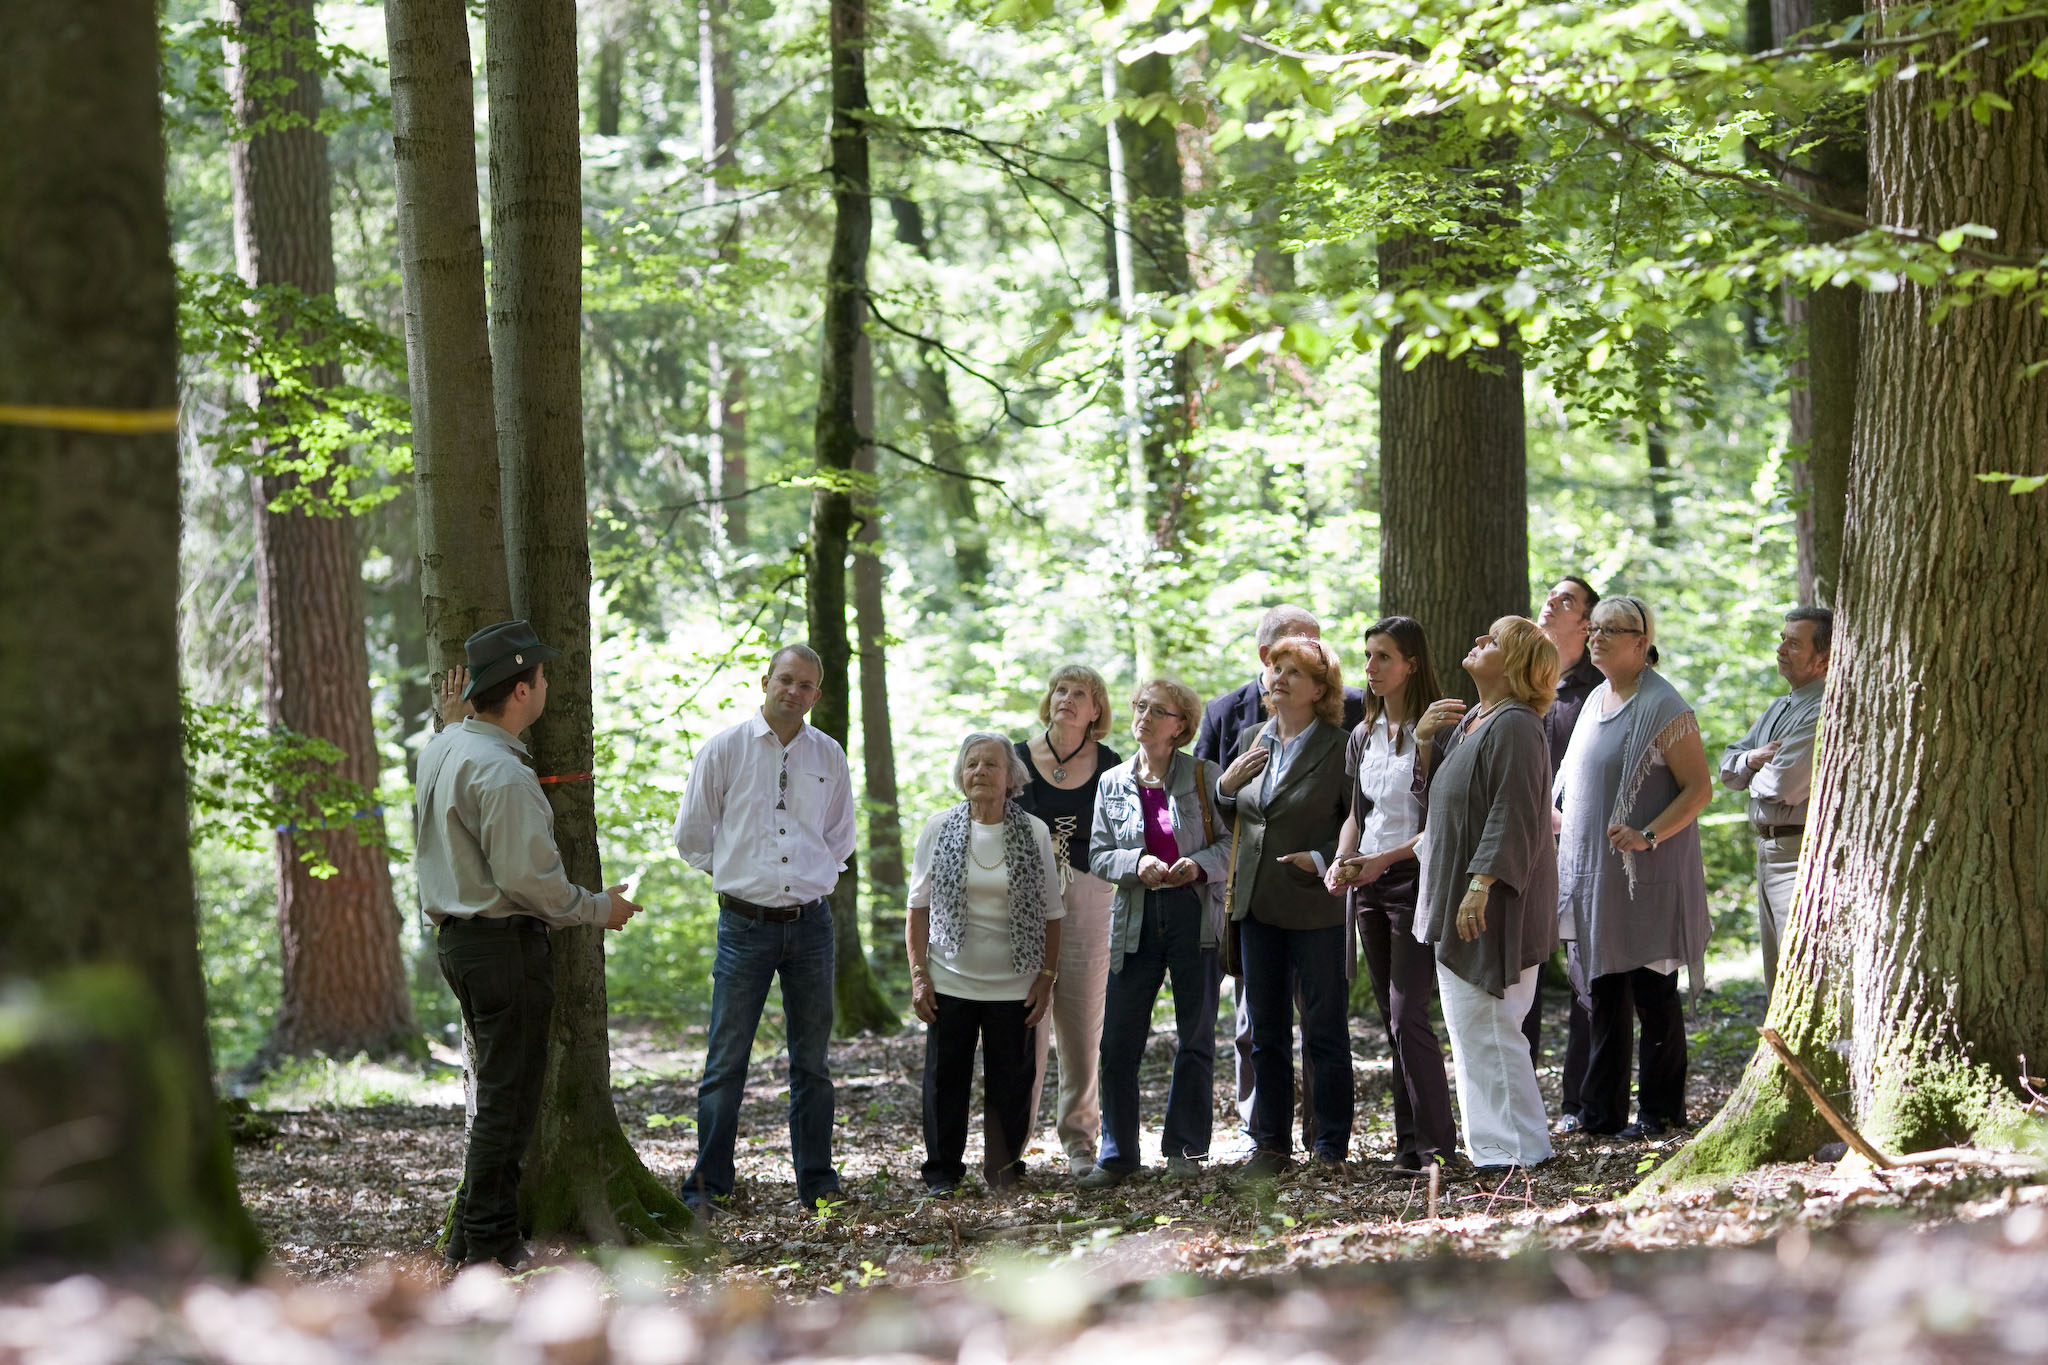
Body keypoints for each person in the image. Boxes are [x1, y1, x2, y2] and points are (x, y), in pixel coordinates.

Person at [417, 621, 643, 1269]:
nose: (547, 685)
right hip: (503, 948)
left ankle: (470, 1235)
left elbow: (452, 735)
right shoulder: (504, 776)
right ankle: (488, 1242)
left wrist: (455, 714)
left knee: (502, 1095)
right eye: (541, 677)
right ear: (521, 690)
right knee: (509, 1105)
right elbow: (533, 884)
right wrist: (603, 908)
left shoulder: (445, 748)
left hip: (463, 946)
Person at [671, 643, 856, 1213]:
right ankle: (708, 1186)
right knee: (726, 1061)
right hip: (744, 927)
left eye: (805, 685)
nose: (793, 692)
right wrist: (738, 877)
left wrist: (802, 879)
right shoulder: (724, 750)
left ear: (816, 696)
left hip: (811, 927)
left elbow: (839, 838)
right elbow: (692, 837)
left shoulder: (828, 756)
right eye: (785, 680)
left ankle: (817, 1184)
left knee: (812, 1062)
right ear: (766, 681)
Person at [1192, 604, 1364, 1140]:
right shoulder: (1249, 742)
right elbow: (1225, 816)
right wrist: (1224, 787)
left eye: (1295, 673)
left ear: (1320, 689)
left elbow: (1359, 817)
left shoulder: (1341, 746)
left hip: (1316, 905)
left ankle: (1331, 1140)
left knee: (1325, 1032)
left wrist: (1320, 859)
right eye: (1276, 669)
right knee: (1264, 1033)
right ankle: (1271, 1142)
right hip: (1255, 905)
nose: (1279, 679)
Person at [1554, 596, 1713, 1139]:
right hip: (1597, 879)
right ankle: (1601, 1115)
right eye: (1593, 629)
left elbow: (1699, 789)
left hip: (1647, 878)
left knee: (1653, 996)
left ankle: (1661, 1114)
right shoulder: (1596, 699)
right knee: (1604, 995)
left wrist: (1647, 835)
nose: (1596, 637)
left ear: (1641, 642)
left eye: (1610, 630)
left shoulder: (1666, 707)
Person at [1411, 617, 1561, 1172]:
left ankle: (1523, 1151)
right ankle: (1493, 1151)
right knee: (1472, 1030)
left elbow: (1515, 811)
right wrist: (1425, 742)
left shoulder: (1518, 723)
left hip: (1494, 901)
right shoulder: (1474, 720)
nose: (1477, 641)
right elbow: (1445, 804)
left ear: (1519, 665)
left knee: (1494, 1025)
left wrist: (1481, 884)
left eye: (1493, 640)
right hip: (1459, 896)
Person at [1080, 679, 1230, 1189]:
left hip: (1193, 916)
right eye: (1139, 706)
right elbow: (1098, 853)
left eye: (1156, 710)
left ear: (1180, 725)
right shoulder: (1111, 782)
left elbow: (1232, 846)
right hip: (1136, 920)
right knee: (1118, 1041)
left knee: (1196, 1035)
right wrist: (1135, 861)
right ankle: (1118, 1155)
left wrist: (1198, 865)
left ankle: (1185, 1149)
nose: (1143, 716)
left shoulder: (1205, 776)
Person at [907, 734, 1064, 1197]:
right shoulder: (938, 828)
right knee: (944, 1083)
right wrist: (919, 976)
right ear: (961, 774)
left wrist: (1047, 977)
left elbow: (1054, 912)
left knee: (1012, 1085)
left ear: (1010, 777)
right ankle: (942, 1174)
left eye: (990, 764)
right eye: (971, 764)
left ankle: (1004, 1171)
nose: (979, 771)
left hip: (1015, 983)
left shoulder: (1033, 830)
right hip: (950, 979)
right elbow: (917, 908)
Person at [1326, 617, 1455, 1173]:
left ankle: (1437, 1147)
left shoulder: (1439, 731)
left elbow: (1441, 827)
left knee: (1409, 1014)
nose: (1371, 668)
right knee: (1388, 1014)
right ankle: (1409, 1145)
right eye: (1368, 656)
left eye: (1383, 657)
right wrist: (1341, 860)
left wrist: (1383, 860)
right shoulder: (1362, 732)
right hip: (1368, 884)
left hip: (1413, 880)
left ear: (1412, 664)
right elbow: (1358, 814)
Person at [1014, 665, 1121, 1176]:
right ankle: (1010, 1143)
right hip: (1023, 901)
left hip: (1090, 896)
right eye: (1060, 689)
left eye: (1081, 693)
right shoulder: (1015, 758)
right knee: (1022, 1018)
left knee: (1081, 1021)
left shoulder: (1113, 765)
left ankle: (1080, 1141)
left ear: (1096, 710)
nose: (1068, 699)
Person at [1719, 607, 1832, 994]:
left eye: (1793, 643)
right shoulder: (1780, 706)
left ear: (1824, 658)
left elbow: (1783, 784)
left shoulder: (1822, 709)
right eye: (1783, 638)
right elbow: (1728, 767)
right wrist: (1751, 759)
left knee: (1798, 973)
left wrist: (1751, 770)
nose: (1781, 648)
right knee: (1775, 976)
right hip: (1766, 849)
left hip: (1797, 855)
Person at [1533, 575, 1602, 1128]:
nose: (1550, 603)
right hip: (1526, 848)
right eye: (1549, 596)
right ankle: (1523, 1103)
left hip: (1580, 848)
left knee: (1584, 976)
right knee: (1523, 975)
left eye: (1566, 600)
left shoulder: (1599, 689)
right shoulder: (1521, 682)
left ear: (1586, 623)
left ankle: (1579, 1102)